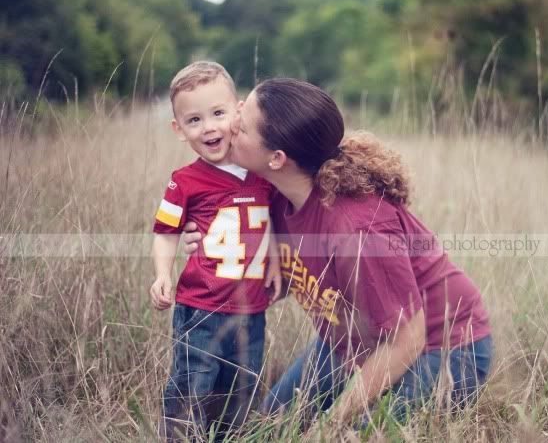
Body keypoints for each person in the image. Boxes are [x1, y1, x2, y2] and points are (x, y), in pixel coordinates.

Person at [184, 77, 492, 431]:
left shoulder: (356, 229)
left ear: (277, 158)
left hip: (442, 347)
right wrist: (206, 241)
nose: (229, 125)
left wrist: (331, 423)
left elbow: (408, 339)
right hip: (350, 336)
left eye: (241, 125)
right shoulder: (272, 191)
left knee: (357, 434)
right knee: (268, 431)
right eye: (239, 109)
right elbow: (279, 275)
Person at [150, 61, 281, 440]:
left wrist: (273, 259)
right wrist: (163, 273)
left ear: (238, 111)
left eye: (218, 114)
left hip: (252, 309)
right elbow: (165, 231)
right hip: (202, 308)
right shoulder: (185, 181)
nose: (208, 127)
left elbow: (268, 220)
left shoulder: (261, 172)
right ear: (179, 129)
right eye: (194, 120)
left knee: (242, 386)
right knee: (194, 382)